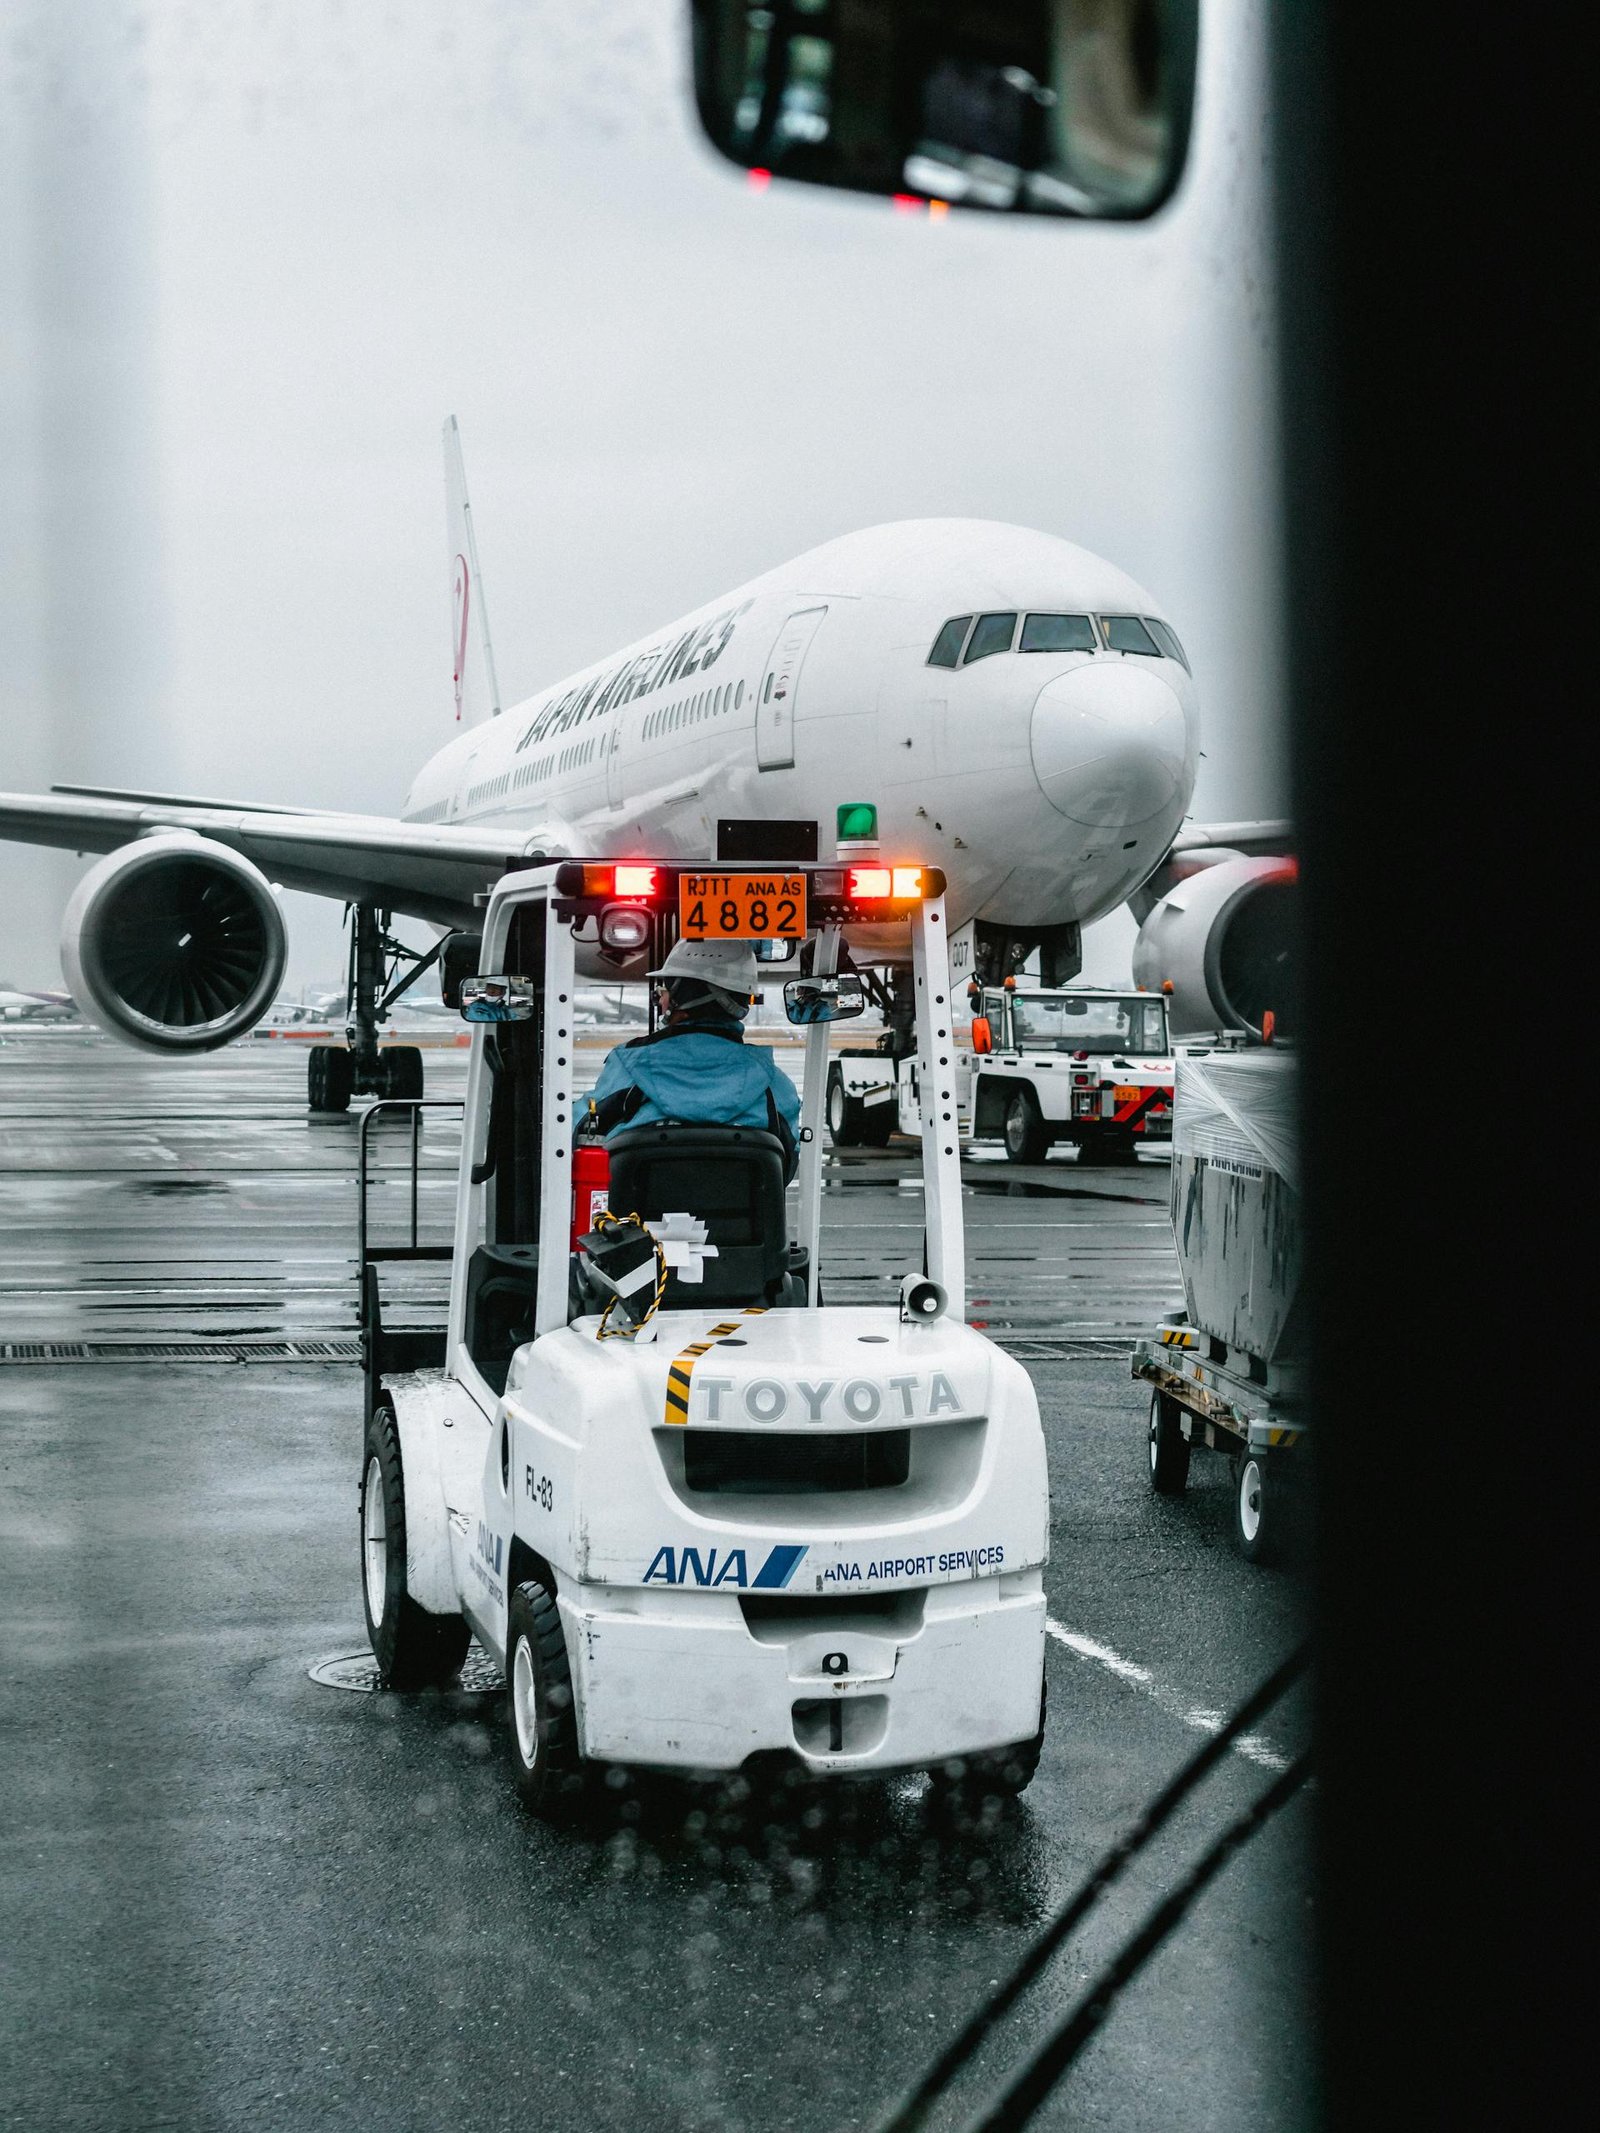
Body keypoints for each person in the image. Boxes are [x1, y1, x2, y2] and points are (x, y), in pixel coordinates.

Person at [587, 938, 801, 1173]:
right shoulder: (772, 1082)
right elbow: (788, 1160)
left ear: (684, 996)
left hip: (634, 1208)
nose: (660, 999)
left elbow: (580, 1128)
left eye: (665, 991)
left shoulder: (628, 1065)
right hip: (741, 1208)